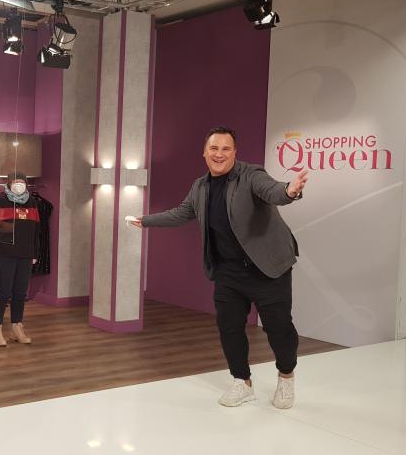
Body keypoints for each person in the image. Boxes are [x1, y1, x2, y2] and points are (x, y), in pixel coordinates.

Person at [130, 127, 308, 409]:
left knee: (279, 328)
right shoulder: (200, 187)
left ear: (235, 153)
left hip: (268, 268)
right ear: (205, 152)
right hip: (228, 271)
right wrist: (147, 220)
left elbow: (273, 191)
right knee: (229, 327)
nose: (219, 154)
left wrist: (289, 190)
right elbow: (183, 213)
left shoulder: (251, 175)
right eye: (214, 148)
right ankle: (242, 382)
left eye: (226, 149)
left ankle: (286, 376)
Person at [0, 172, 39, 347]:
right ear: (9, 183)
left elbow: (36, 231)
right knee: (3, 293)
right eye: (15, 181)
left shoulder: (32, 202)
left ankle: (17, 328)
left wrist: (35, 253)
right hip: (4, 253)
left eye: (22, 181)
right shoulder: (0, 200)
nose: (19, 184)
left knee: (20, 293)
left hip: (25, 254)